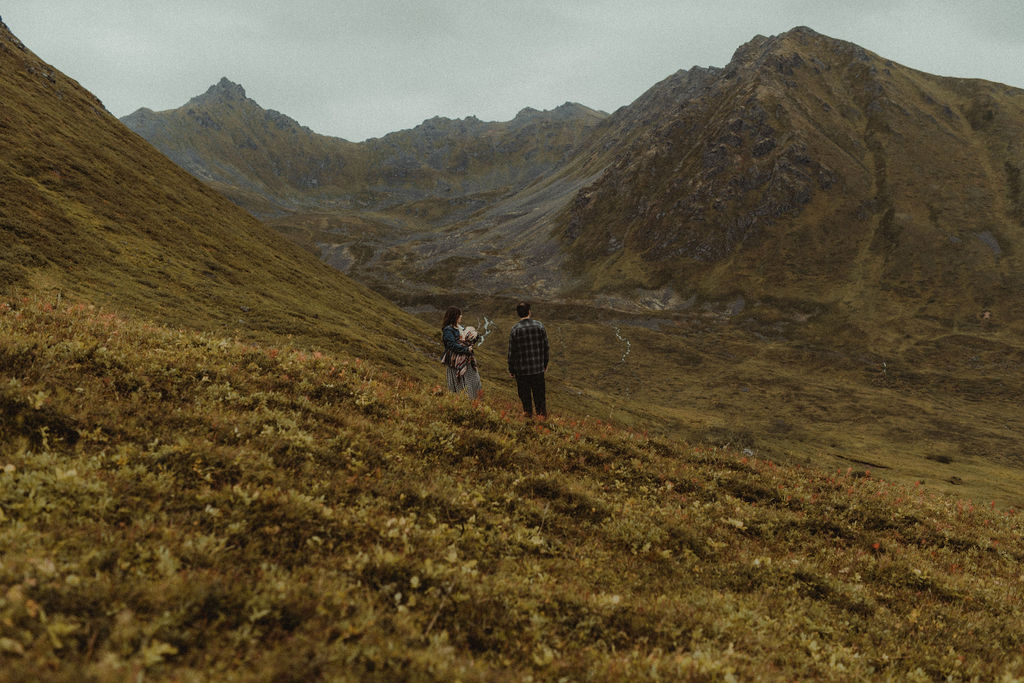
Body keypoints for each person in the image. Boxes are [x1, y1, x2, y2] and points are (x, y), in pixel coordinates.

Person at [507, 301, 549, 418]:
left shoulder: (515, 329)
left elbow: (512, 352)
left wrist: (511, 369)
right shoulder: (539, 326)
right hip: (537, 369)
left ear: (518, 314)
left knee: (525, 397)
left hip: (522, 371)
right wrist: (545, 364)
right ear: (529, 312)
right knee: (539, 397)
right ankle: (541, 418)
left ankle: (528, 418)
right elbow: (545, 347)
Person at [441, 306, 482, 399]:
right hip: (455, 361)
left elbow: (467, 339)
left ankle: (473, 400)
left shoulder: (460, 328)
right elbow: (452, 345)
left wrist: (474, 337)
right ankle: (463, 401)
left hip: (466, 359)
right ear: (454, 316)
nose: (461, 316)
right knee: (460, 382)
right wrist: (466, 349)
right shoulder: (448, 330)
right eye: (459, 315)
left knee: (473, 380)